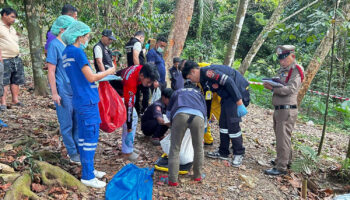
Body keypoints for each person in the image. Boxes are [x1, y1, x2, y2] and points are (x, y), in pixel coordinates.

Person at [61, 21, 116, 188]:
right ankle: (87, 176)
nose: (87, 39)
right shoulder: (78, 52)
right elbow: (91, 77)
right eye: (86, 36)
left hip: (79, 98)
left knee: (84, 138)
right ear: (79, 36)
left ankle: (89, 170)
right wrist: (109, 71)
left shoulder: (65, 52)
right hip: (87, 100)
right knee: (90, 138)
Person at [182, 61, 249, 167]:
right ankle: (223, 151)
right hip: (227, 96)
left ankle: (239, 152)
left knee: (232, 124)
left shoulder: (208, 72)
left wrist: (239, 102)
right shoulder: (203, 80)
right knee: (223, 124)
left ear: (193, 72)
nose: (191, 81)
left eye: (189, 78)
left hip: (237, 93)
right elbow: (208, 99)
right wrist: (206, 118)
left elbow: (229, 82)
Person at [263, 45, 304, 176]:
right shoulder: (283, 70)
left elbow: (291, 89)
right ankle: (284, 160)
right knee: (282, 137)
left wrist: (273, 89)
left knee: (282, 139)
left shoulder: (296, 70)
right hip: (279, 109)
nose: (282, 61)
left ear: (293, 56)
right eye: (280, 59)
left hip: (287, 109)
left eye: (285, 58)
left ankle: (281, 167)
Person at [46, 15, 79, 163]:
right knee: (66, 124)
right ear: (62, 30)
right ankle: (72, 153)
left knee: (77, 121)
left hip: (74, 89)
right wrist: (54, 93)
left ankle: (79, 149)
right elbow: (51, 70)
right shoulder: (54, 45)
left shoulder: (70, 45)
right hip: (62, 90)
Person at [166, 81, 207, 186]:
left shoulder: (178, 92)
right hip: (198, 117)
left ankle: (172, 180)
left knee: (175, 147)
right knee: (198, 148)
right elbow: (205, 112)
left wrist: (172, 122)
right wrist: (204, 128)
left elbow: (168, 111)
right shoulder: (199, 94)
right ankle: (197, 176)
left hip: (180, 115)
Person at [121, 63, 159, 161]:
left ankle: (129, 147)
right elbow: (128, 105)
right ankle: (127, 152)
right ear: (142, 76)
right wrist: (129, 126)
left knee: (134, 117)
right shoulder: (131, 82)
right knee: (131, 119)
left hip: (122, 92)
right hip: (115, 94)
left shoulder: (143, 69)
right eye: (149, 82)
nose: (149, 85)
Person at [0, 7, 25, 111]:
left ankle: (15, 99)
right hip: (4, 58)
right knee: (4, 81)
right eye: (12, 17)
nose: (14, 19)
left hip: (15, 58)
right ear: (4, 15)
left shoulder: (12, 28)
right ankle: (3, 103)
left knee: (16, 80)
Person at [125, 31, 149, 115]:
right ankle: (144, 111)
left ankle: (136, 111)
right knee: (145, 91)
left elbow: (132, 56)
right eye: (143, 39)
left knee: (136, 92)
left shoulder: (128, 44)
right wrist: (139, 72)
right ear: (141, 37)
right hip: (138, 72)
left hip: (131, 71)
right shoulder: (137, 43)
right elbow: (135, 57)